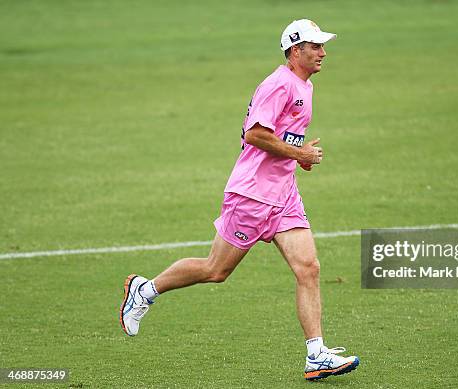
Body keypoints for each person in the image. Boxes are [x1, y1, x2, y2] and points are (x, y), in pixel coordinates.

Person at [119, 19, 359, 380]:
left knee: (308, 268)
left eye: (323, 46)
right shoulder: (279, 84)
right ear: (296, 50)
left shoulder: (303, 86)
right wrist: (299, 154)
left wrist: (299, 156)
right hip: (252, 194)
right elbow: (255, 135)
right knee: (217, 270)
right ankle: (145, 290)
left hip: (283, 195)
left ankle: (316, 354)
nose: (324, 53)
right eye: (316, 47)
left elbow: (282, 137)